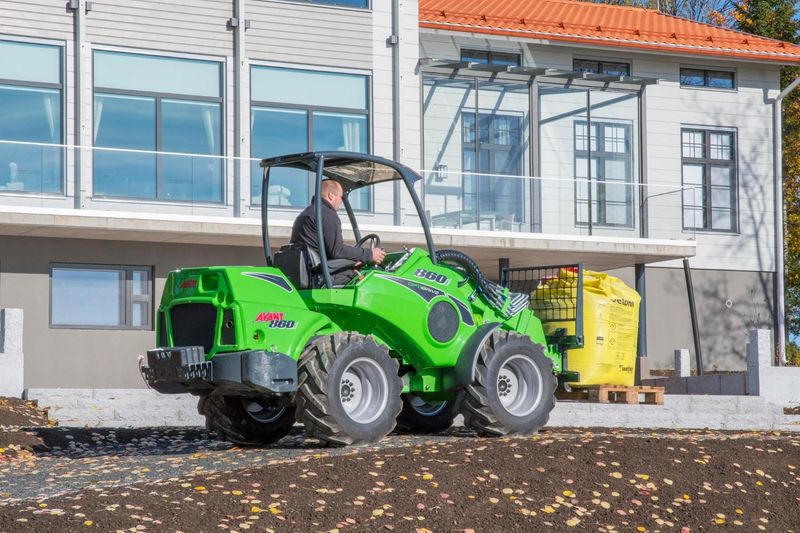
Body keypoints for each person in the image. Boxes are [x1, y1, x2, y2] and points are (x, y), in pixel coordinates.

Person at [291, 179, 386, 284]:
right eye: (341, 197)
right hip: (321, 276)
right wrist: (369, 254)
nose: (341, 201)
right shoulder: (327, 214)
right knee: (371, 279)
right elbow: (337, 251)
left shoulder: (305, 213)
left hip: (310, 272)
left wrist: (351, 262)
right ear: (331, 195)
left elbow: (325, 251)